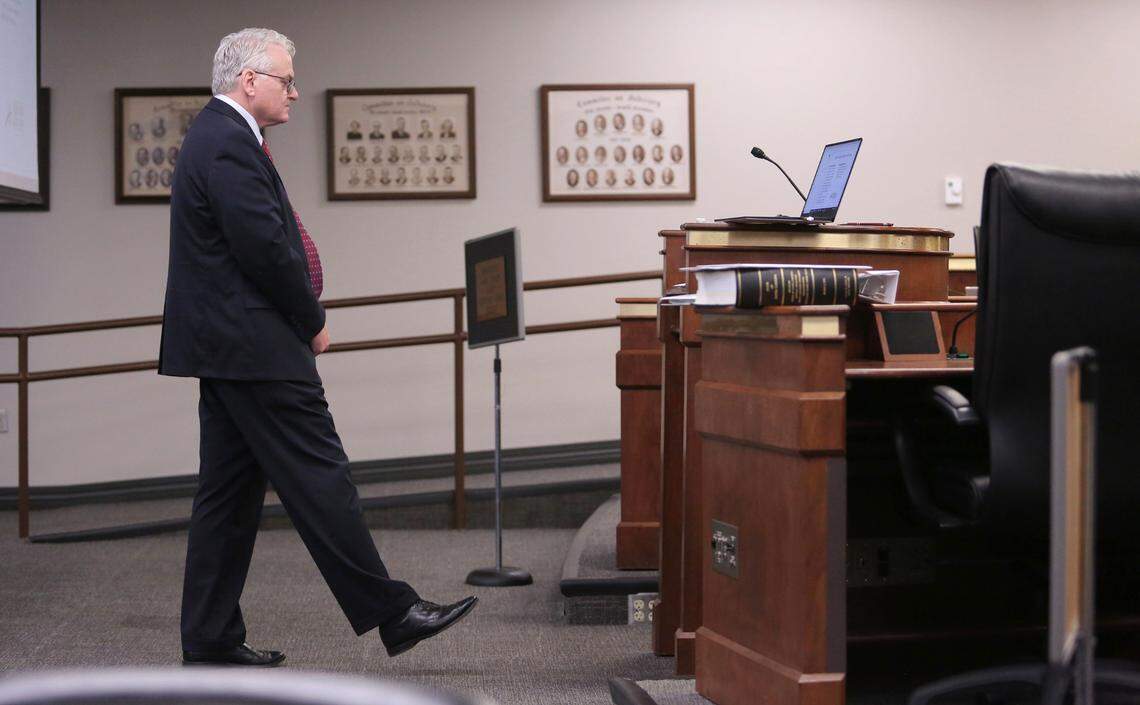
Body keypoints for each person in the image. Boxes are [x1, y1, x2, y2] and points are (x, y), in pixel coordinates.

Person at [160, 27, 477, 669]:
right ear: (249, 81)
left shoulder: (221, 137)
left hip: (232, 349)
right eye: (285, 80)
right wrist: (311, 320)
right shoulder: (226, 141)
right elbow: (263, 249)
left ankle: (210, 639)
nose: (295, 92)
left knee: (227, 496)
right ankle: (394, 612)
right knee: (320, 475)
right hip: (257, 346)